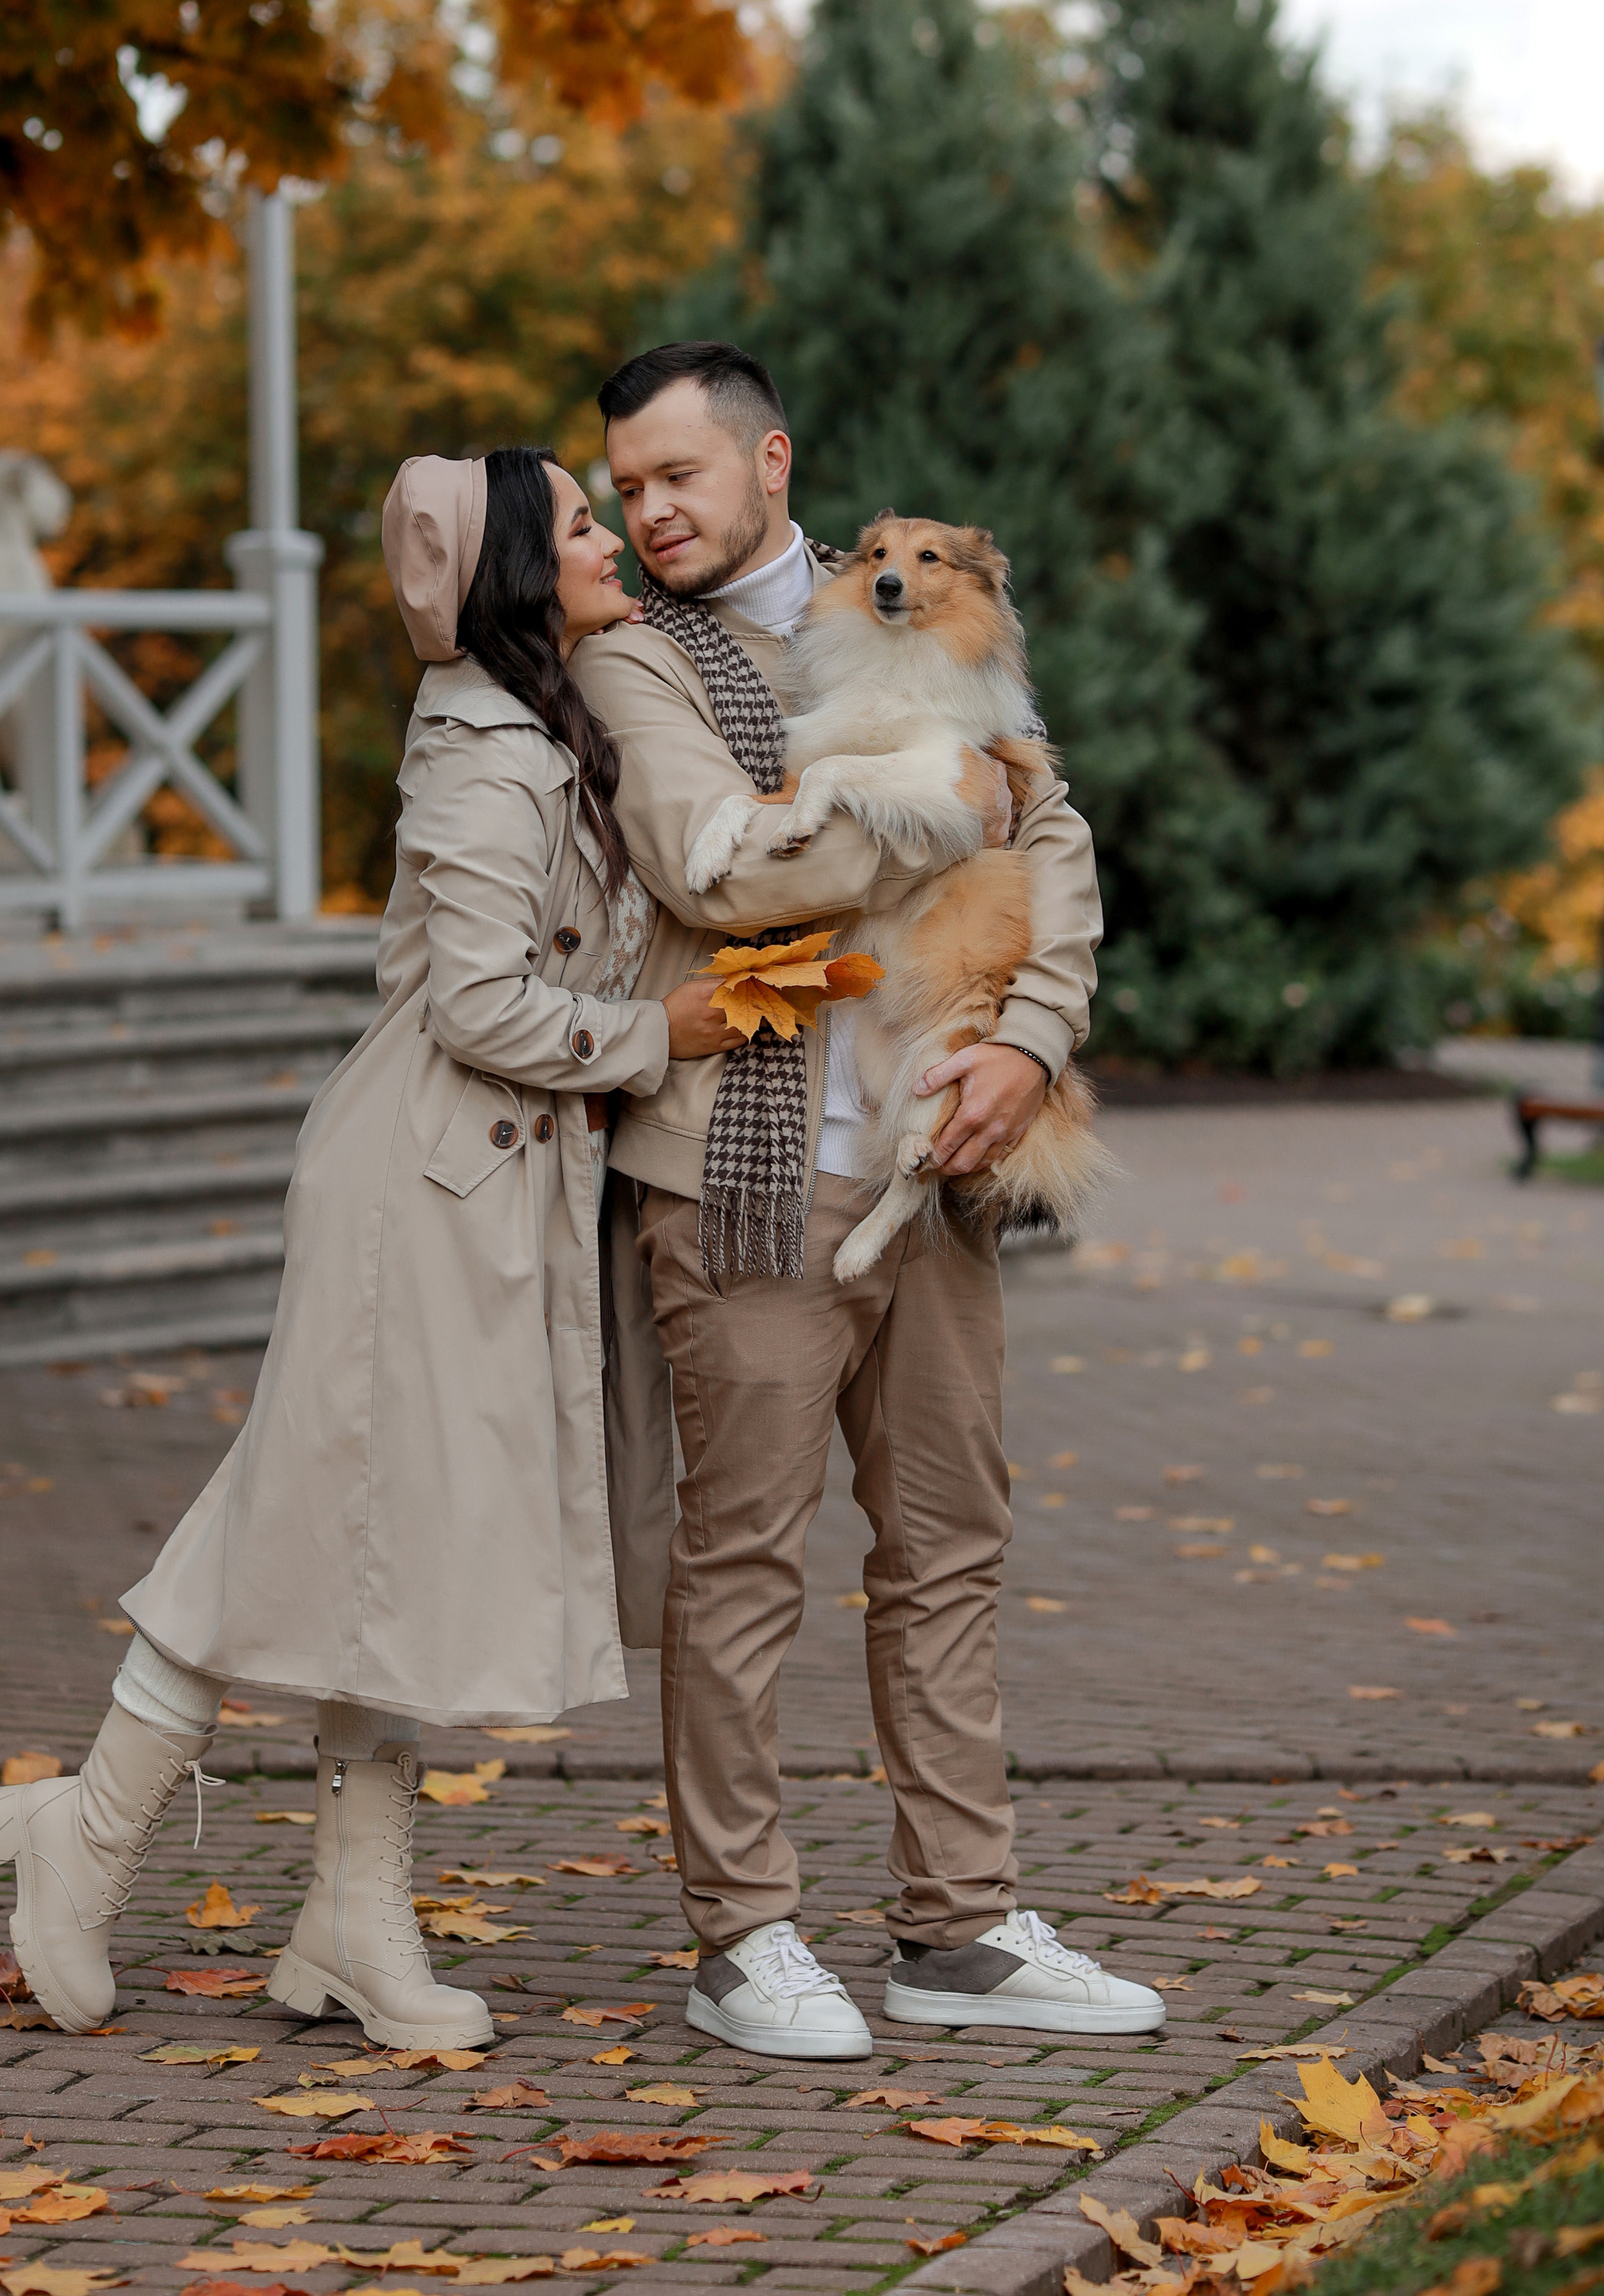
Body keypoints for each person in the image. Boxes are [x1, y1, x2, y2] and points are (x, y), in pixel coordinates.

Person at [0, 447, 731, 2046]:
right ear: (518, 563)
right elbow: (476, 1005)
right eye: (582, 522)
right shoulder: (480, 747)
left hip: (476, 1189)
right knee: (295, 1527)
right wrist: (650, 1034)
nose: (608, 537)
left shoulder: (543, 723)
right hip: (416, 1189)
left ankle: (345, 1917)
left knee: (395, 1557)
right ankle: (88, 1837)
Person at [576, 340, 1166, 2057]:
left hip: (938, 1161)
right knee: (743, 1559)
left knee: (948, 1550)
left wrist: (1032, 1043)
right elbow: (727, 864)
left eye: (675, 475)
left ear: (770, 460)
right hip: (744, 1180)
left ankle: (958, 1928)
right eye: (624, 488)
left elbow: (1052, 853)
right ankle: (741, 1935)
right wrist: (956, 795)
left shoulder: (926, 606)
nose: (648, 511)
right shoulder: (643, 667)